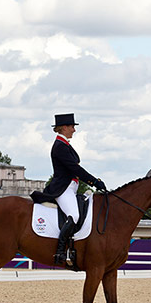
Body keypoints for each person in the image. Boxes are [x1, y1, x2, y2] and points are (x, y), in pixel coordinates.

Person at [31, 113, 106, 266]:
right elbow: (74, 168)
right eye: (72, 127)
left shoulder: (65, 145)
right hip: (63, 189)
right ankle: (60, 251)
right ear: (64, 127)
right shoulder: (59, 147)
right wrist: (94, 182)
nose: (74, 130)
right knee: (74, 215)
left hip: (71, 188)